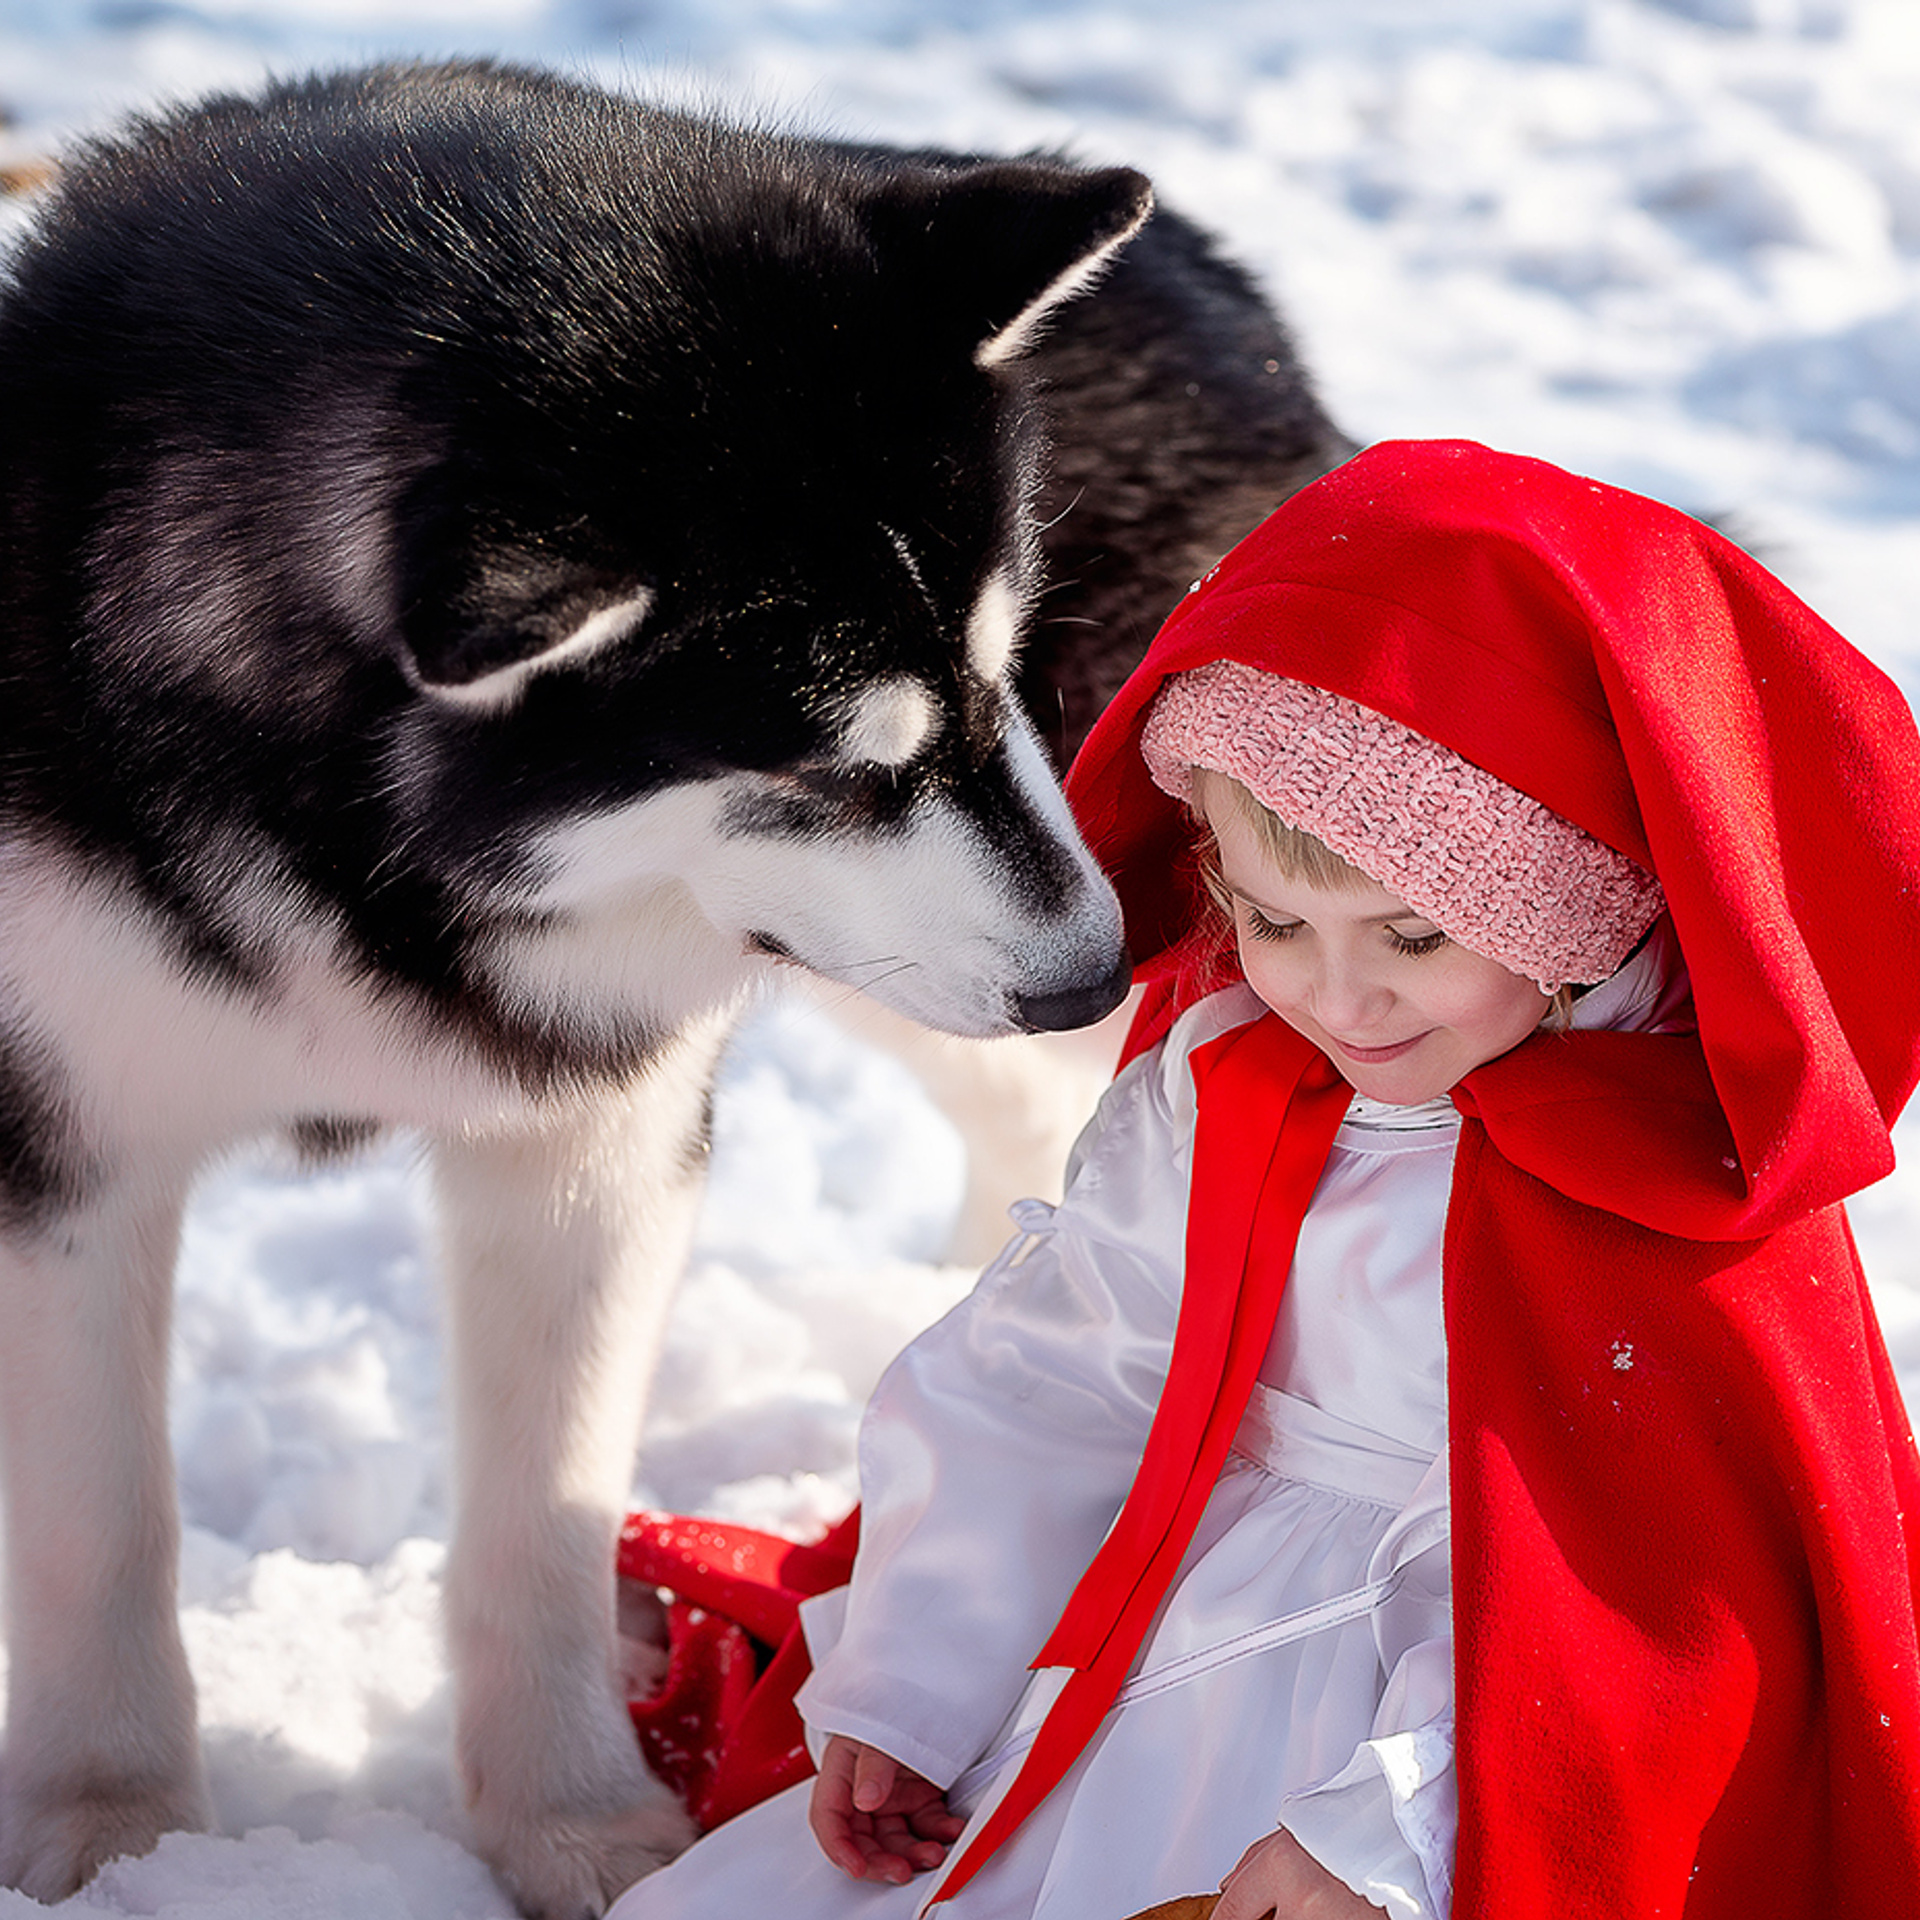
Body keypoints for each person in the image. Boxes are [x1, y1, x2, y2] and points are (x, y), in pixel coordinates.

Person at [607, 439, 1920, 1920]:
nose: (1337, 998)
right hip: (1157, 1643)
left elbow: (1641, 1612)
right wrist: (916, 1674)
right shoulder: (1231, 1086)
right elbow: (1062, 1373)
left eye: (1414, 938)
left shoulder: (1668, 1193)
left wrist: (1390, 1834)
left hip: (1434, 1741)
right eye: (1274, 921)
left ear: (1575, 903)